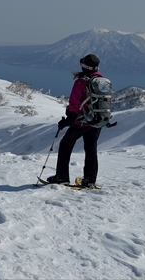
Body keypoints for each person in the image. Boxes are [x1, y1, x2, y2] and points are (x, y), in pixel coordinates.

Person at [47, 54, 103, 188]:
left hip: (82, 121)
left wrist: (67, 121)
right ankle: (90, 180)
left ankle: (62, 176)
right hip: (96, 121)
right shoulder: (101, 80)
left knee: (66, 144)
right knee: (91, 149)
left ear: (84, 66)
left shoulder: (81, 82)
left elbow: (74, 104)